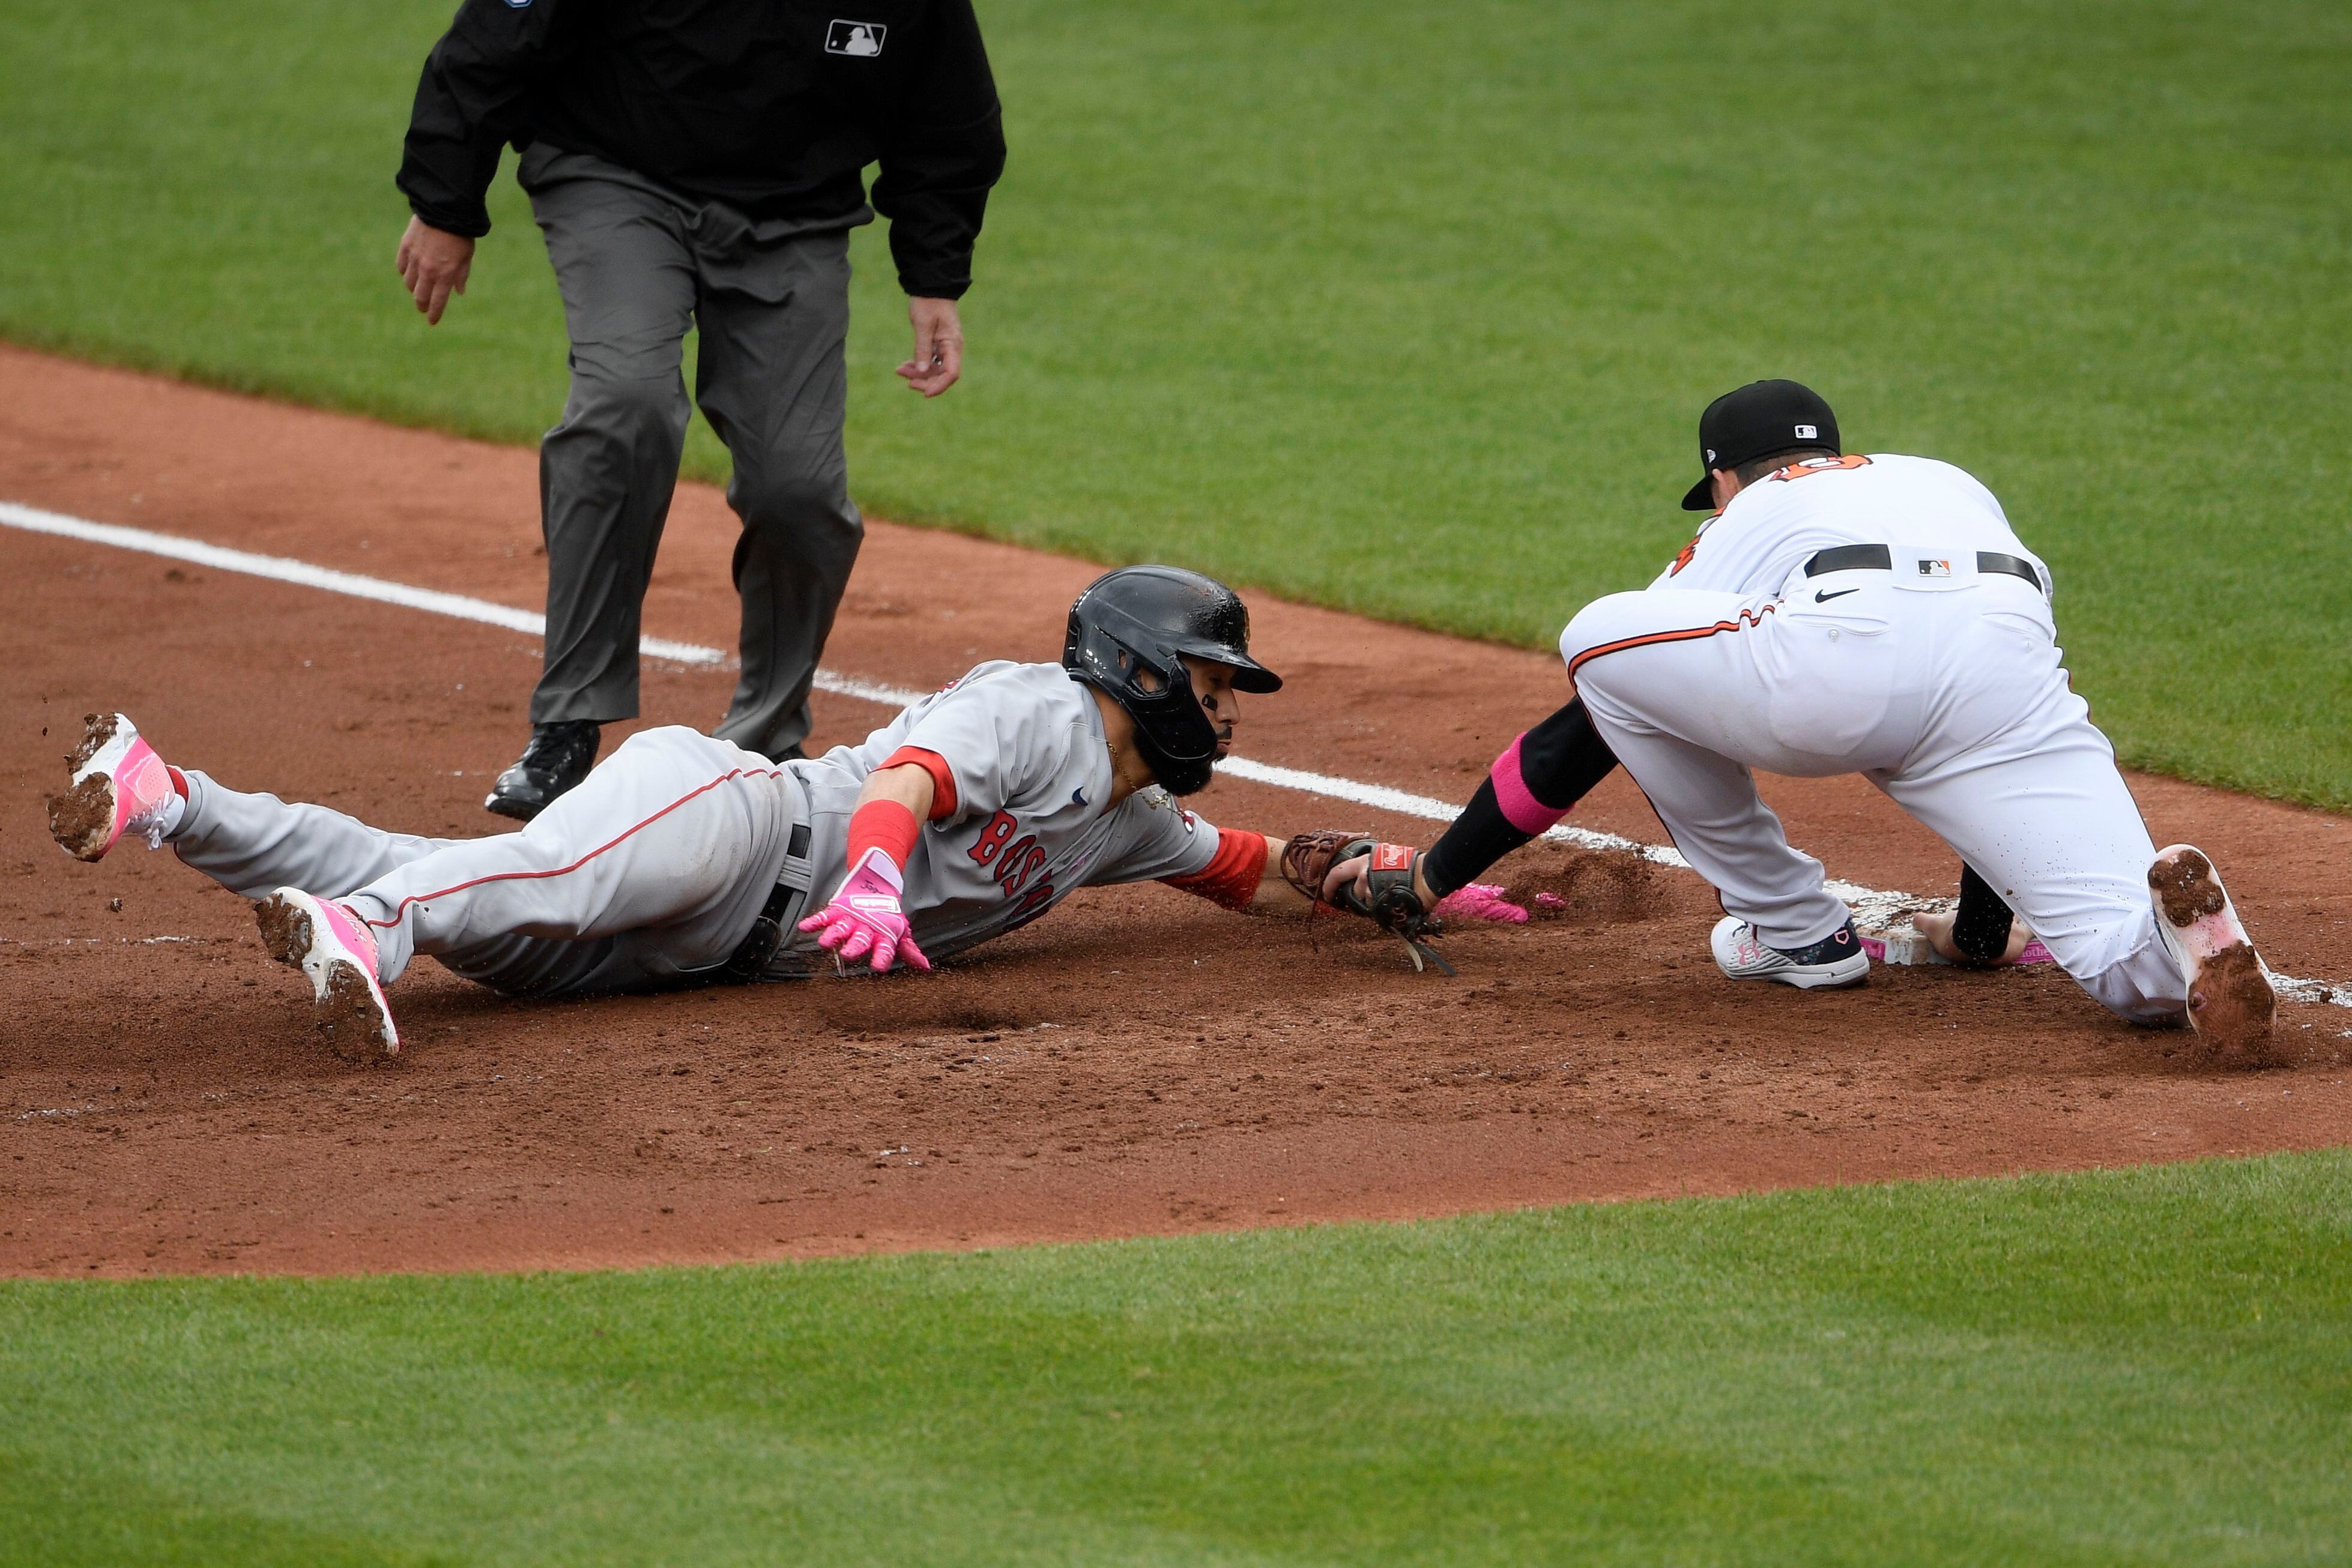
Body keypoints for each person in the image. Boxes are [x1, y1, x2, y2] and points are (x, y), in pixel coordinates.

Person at [1309, 381, 2278, 1060]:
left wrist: (1435, 874)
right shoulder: (1940, 481)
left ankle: (1794, 933)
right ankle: (2177, 955)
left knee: (1601, 645)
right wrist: (1978, 936)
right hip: (2006, 657)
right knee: (2121, 975)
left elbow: (1589, 724)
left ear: (1724, 478)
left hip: (1840, 668)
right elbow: (1954, 659)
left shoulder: (1752, 508)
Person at [44, 568, 1313, 1062]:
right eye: (1215, 684)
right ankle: (370, 933)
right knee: (531, 876)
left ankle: (171, 798)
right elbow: (903, 782)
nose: (1228, 712)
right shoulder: (1036, 710)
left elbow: (1254, 865)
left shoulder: (1129, 821)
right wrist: (872, 881)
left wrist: (1416, 877)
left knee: (479, 885)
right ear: (1145, 671)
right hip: (740, 825)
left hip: (697, 952)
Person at [392, 1, 1008, 819]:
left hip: (798, 214)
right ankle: (569, 721)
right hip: (614, 171)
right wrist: (445, 203)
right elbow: (494, 41)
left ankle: (765, 747)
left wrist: (934, 279)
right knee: (626, 407)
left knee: (800, 490)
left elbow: (948, 117)